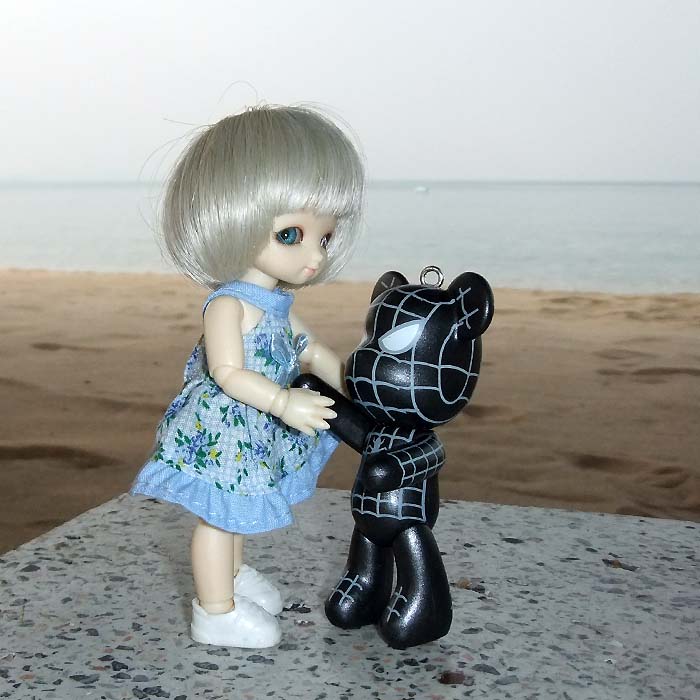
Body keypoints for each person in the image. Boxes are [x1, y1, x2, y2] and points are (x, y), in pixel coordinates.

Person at [131, 104, 365, 648]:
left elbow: (309, 348)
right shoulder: (228, 305)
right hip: (224, 430)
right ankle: (214, 611)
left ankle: (232, 578)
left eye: (324, 238)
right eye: (292, 235)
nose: (313, 257)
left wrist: (352, 381)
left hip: (254, 428)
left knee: (237, 512)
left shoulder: (275, 302)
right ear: (234, 219)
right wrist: (283, 403)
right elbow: (227, 372)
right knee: (219, 516)